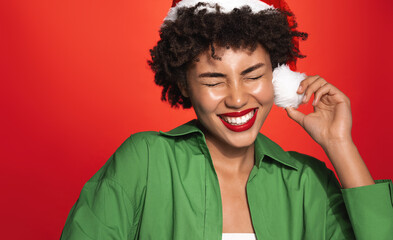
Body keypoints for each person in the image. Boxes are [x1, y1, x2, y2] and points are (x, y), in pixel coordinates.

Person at [60, 0, 393, 239]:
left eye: (252, 75)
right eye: (213, 80)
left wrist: (339, 144)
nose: (236, 99)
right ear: (183, 85)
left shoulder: (307, 183)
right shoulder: (144, 162)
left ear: (277, 79)